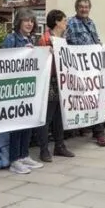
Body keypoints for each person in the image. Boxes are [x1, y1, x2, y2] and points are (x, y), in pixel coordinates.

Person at [1, 8, 44, 174]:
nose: (29, 23)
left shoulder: (32, 39)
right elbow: (3, 61)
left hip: (29, 87)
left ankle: (24, 154)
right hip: (15, 87)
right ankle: (14, 159)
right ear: (19, 22)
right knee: (16, 125)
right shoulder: (11, 39)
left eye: (31, 21)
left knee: (27, 123)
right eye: (26, 20)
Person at [65, 0, 105, 147]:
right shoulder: (70, 23)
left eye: (86, 7)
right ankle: (96, 131)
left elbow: (95, 39)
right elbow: (66, 43)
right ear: (76, 8)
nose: (84, 9)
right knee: (86, 100)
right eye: (81, 7)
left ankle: (98, 131)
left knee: (95, 99)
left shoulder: (91, 23)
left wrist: (100, 45)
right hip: (79, 69)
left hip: (92, 68)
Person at [36, 10, 75, 161]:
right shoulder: (45, 39)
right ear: (57, 22)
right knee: (48, 116)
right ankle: (44, 149)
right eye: (64, 21)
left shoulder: (63, 39)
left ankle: (60, 145)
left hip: (62, 80)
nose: (66, 23)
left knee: (59, 115)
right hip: (50, 80)